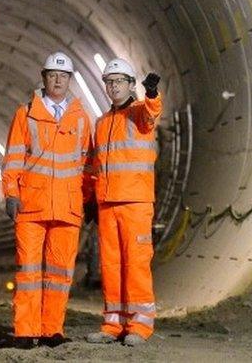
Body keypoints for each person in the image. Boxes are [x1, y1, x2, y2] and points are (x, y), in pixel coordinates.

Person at [0, 51, 93, 349]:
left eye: (63, 76)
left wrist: (87, 200)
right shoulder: (25, 113)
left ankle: (52, 329)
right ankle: (25, 330)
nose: (58, 80)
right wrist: (11, 194)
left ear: (70, 80)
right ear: (43, 77)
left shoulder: (80, 117)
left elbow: (87, 164)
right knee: (27, 272)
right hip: (31, 206)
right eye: (53, 75)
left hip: (67, 207)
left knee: (60, 273)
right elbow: (13, 157)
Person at [84, 58, 162, 346]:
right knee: (111, 265)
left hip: (135, 202)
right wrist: (90, 198)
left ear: (131, 85)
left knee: (136, 264)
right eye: (109, 82)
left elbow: (153, 111)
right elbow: (95, 166)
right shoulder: (102, 123)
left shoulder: (140, 113)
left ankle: (140, 325)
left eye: (119, 81)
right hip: (107, 204)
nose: (114, 86)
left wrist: (152, 94)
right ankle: (113, 322)